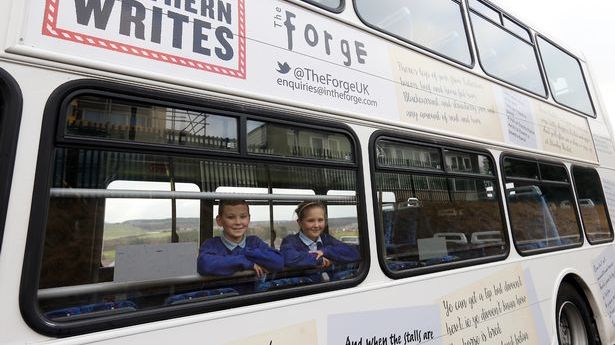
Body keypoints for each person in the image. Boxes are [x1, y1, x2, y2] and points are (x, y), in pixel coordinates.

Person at [197, 200, 283, 277]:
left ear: (249, 219)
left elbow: (278, 261)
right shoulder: (211, 244)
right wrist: (246, 262)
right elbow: (204, 264)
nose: (238, 222)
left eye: (243, 217)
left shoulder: (254, 242)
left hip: (255, 294)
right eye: (231, 217)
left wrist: (245, 253)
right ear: (219, 220)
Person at [280, 201, 360, 279]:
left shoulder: (326, 239)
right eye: (311, 221)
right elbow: (288, 258)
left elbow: (354, 251)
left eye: (320, 220)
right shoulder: (290, 241)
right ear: (300, 222)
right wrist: (319, 260)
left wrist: (325, 252)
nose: (316, 225)